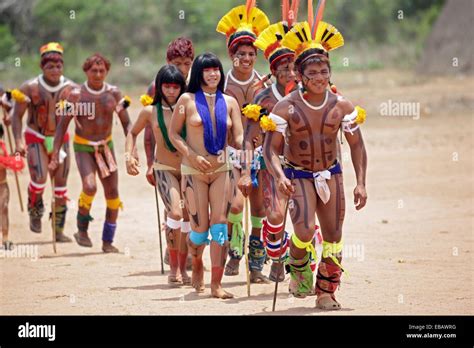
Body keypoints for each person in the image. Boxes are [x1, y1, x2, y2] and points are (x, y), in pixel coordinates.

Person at [264, 20, 368, 310]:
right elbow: (269, 149)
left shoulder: (342, 106)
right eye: (312, 73)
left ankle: (326, 292)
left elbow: (357, 145)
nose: (320, 77)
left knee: (334, 237)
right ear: (299, 75)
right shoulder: (285, 107)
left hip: (331, 174)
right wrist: (279, 175)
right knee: (306, 230)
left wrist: (360, 182)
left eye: (324, 71)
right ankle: (297, 267)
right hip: (298, 175)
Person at [169, 53, 243, 298]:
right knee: (200, 230)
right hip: (193, 171)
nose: (213, 74)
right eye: (208, 70)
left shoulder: (230, 101)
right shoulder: (186, 100)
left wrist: (248, 144)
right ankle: (196, 258)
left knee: (219, 227)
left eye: (217, 69)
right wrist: (191, 155)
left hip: (222, 169)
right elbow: (174, 135)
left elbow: (239, 136)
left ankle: (216, 285)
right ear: (199, 73)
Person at [49, 53, 132, 253]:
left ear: (107, 72)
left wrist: (132, 149)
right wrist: (55, 155)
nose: (97, 74)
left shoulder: (114, 93)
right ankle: (82, 230)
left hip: (106, 147)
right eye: (93, 70)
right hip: (83, 147)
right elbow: (62, 126)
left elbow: (127, 123)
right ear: (86, 71)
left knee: (113, 195)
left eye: (101, 70)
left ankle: (107, 241)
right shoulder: (75, 95)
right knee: (90, 186)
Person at [239, 12, 299, 282]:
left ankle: (296, 269)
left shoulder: (307, 95)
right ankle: (275, 258)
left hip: (302, 164)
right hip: (270, 165)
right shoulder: (263, 98)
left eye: (292, 66)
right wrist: (244, 169)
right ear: (273, 71)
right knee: (273, 214)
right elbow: (250, 135)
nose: (288, 72)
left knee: (299, 218)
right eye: (282, 67)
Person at [216, 0, 271, 280]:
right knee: (236, 206)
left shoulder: (264, 84)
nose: (246, 58)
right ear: (231, 54)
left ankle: (256, 265)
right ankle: (235, 253)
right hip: (230, 154)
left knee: (260, 209)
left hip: (260, 154)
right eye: (241, 54)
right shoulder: (220, 86)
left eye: (251, 53)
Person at [126, 65, 191, 285]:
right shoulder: (149, 111)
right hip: (163, 168)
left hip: (189, 169)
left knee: (189, 218)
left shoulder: (189, 108)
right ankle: (174, 269)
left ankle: (183, 267)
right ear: (159, 87)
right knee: (175, 213)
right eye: (167, 86)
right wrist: (130, 155)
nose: (171, 91)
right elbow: (132, 133)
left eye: (176, 87)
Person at [11, 42, 75, 241]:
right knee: (39, 178)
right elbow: (16, 116)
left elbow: (83, 115)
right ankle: (35, 211)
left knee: (61, 184)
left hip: (59, 139)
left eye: (58, 66)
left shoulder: (72, 89)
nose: (55, 71)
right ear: (42, 67)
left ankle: (58, 230)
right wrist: (18, 141)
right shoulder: (30, 88)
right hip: (36, 137)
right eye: (50, 67)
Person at [140, 38, 194, 270]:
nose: (182, 69)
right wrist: (150, 162)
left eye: (187, 63)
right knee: (173, 207)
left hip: (191, 158)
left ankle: (188, 251)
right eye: (177, 63)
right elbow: (151, 130)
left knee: (191, 209)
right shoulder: (159, 86)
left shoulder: (197, 85)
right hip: (165, 160)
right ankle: (173, 251)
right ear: (167, 62)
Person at [0, 123, 25, 249]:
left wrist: (16, 156)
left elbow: (8, 161)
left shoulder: (2, 146)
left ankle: (5, 238)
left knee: (4, 208)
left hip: (2, 184)